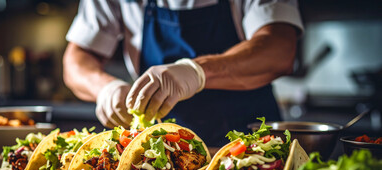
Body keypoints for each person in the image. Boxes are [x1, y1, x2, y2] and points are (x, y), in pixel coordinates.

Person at [63, 0, 303, 146]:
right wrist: (105, 88)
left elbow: (280, 47)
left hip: (247, 136)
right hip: (159, 143)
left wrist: (196, 71)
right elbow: (76, 60)